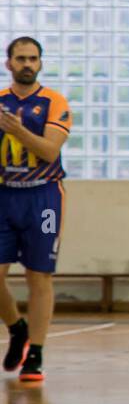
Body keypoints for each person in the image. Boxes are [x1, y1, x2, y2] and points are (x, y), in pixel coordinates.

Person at [0, 37, 72, 382]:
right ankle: (17, 328)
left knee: (38, 275)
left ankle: (37, 354)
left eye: (33, 58)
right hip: (4, 194)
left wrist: (17, 130)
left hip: (43, 197)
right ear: (8, 64)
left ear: (41, 63)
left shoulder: (54, 102)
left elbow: (49, 151)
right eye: (20, 58)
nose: (27, 64)